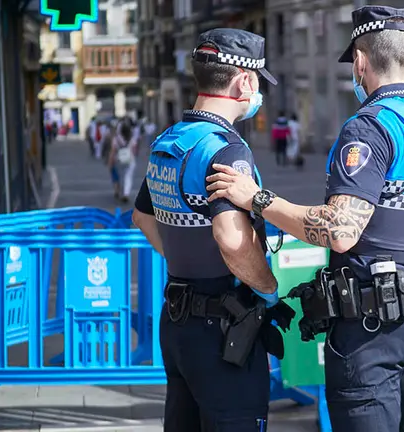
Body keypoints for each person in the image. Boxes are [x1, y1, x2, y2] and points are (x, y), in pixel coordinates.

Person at [205, 6, 404, 431]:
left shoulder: (370, 128)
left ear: (360, 62)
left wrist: (258, 199)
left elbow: (340, 231)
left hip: (370, 327)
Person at [131, 28, 292, 432]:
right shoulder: (225, 148)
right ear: (245, 81)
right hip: (223, 328)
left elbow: (143, 216)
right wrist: (268, 291)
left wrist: (186, 258)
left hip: (179, 320)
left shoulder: (170, 140)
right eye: (258, 85)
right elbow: (232, 239)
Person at [109, 120, 138, 203]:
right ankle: (126, 193)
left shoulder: (116, 139)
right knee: (128, 177)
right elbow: (134, 149)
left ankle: (121, 192)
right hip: (130, 159)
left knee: (121, 177)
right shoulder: (131, 138)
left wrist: (110, 161)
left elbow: (113, 151)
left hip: (119, 160)